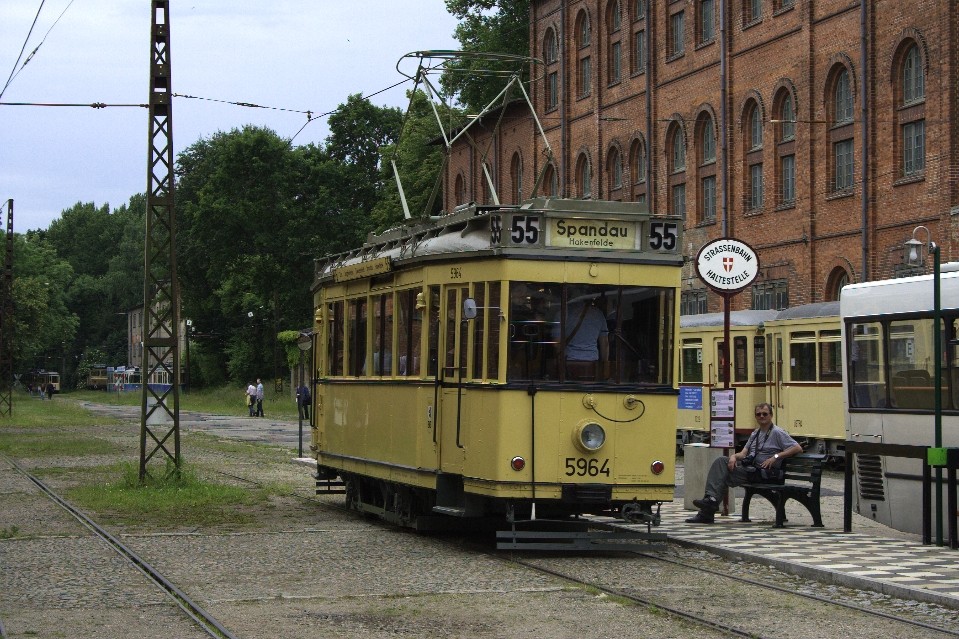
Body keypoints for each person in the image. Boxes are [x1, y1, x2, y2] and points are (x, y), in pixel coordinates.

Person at [686, 402, 803, 524]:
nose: (762, 416)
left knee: (722, 476)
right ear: (755, 416)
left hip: (764, 473)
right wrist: (733, 457)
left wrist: (776, 456)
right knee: (721, 461)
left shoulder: (777, 432)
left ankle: (708, 508)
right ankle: (710, 503)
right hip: (751, 470)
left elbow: (797, 448)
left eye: (765, 414)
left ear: (771, 415)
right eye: (758, 414)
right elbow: (743, 454)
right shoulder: (755, 433)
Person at [561, 293, 609, 380]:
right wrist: (604, 365)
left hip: (569, 361)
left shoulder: (565, 313)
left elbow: (558, 342)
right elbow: (604, 343)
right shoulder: (599, 314)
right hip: (591, 363)